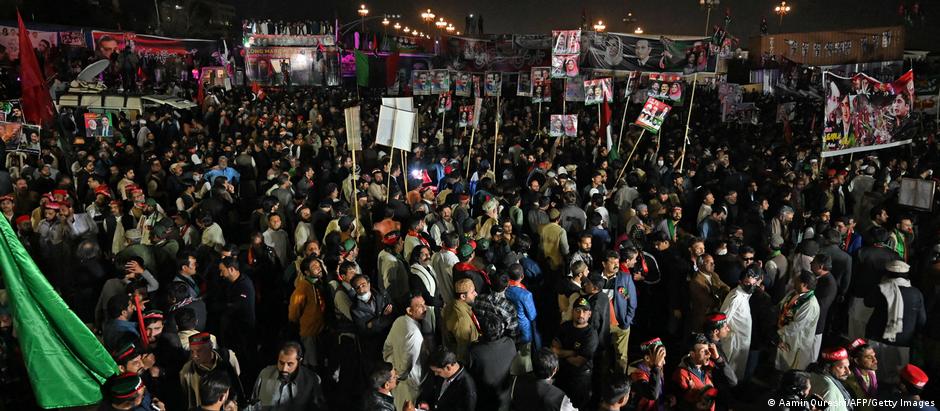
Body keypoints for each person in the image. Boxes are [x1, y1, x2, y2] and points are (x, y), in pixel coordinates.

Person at [864, 260, 926, 385]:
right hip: (903, 341)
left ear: (887, 274)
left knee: (875, 373)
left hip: (878, 337)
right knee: (899, 376)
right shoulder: (916, 293)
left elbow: (868, 302)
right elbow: (922, 320)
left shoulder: (881, 288)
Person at [382, 293, 429, 411]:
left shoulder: (399, 321)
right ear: (409, 310)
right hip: (409, 385)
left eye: (424, 304)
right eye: (420, 306)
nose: (425, 308)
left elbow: (387, 348)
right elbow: (406, 365)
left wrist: (392, 369)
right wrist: (397, 374)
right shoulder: (414, 333)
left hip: (397, 380)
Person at [250, 341, 325, 410]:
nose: (284, 369)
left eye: (290, 364)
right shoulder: (265, 374)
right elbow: (253, 404)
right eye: (281, 363)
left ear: (299, 362)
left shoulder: (312, 380)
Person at [551, 297, 598, 409]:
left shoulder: (591, 334)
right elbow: (553, 349)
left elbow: (579, 361)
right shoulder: (565, 326)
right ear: (572, 311)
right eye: (578, 310)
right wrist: (573, 352)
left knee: (578, 406)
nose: (581, 314)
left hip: (580, 378)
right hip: (562, 375)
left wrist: (561, 353)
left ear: (589, 314)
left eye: (584, 311)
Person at [719, 265, 760, 385]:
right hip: (733, 342)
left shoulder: (745, 295)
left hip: (742, 342)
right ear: (740, 281)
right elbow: (723, 318)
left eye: (753, 283)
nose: (751, 286)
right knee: (729, 373)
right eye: (747, 283)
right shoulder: (736, 296)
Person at [179, 332, 242, 409]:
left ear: (210, 347)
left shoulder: (227, 357)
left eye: (199, 351)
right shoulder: (187, 370)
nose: (194, 355)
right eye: (192, 351)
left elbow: (237, 379)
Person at [288, 255, 330, 368]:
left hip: (320, 331)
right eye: (314, 267)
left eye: (318, 265)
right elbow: (294, 311)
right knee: (311, 363)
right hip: (309, 332)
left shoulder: (319, 283)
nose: (318, 268)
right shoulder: (303, 287)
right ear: (306, 272)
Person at [776, 270, 820, 372]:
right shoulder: (794, 293)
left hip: (796, 341)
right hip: (784, 334)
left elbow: (796, 326)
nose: (794, 281)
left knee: (790, 369)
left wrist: (778, 333)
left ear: (804, 285)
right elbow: (782, 305)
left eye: (797, 280)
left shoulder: (810, 305)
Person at [673, 333, 718, 411]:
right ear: (692, 354)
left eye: (708, 349)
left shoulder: (710, 367)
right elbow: (680, 405)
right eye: (703, 351)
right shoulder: (682, 374)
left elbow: (731, 381)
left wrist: (718, 359)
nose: (709, 353)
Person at [443, 278, 480, 364]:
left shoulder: (455, 304)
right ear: (463, 296)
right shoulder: (461, 320)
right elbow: (463, 351)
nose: (476, 294)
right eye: (472, 292)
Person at [807, 347, 853, 411]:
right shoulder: (829, 387)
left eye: (848, 366)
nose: (849, 372)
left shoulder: (814, 375)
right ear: (827, 367)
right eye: (841, 367)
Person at [628, 338, 667, 411]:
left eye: (664, 357)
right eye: (661, 358)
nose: (664, 362)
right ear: (647, 358)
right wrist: (656, 367)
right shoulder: (637, 374)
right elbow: (652, 394)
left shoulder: (656, 368)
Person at [843, 338, 879, 405]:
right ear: (857, 360)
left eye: (874, 356)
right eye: (869, 357)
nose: (875, 360)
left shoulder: (872, 375)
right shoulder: (849, 380)